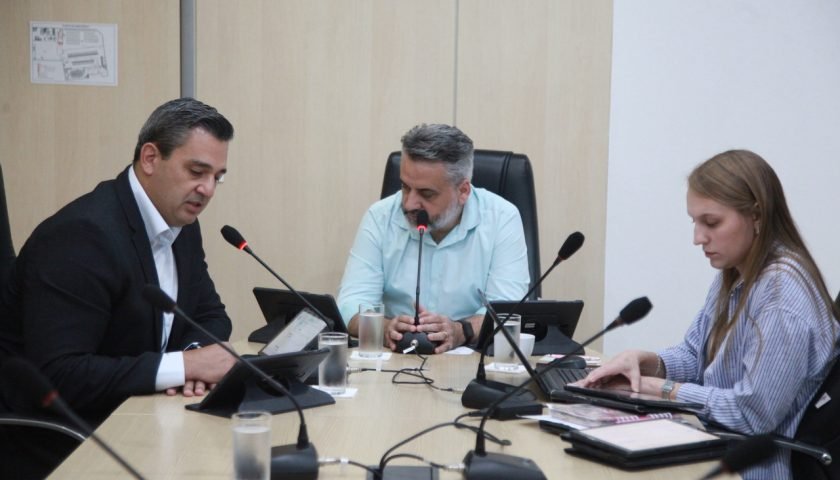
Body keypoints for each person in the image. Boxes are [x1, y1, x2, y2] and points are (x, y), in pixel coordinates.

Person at [0, 97, 238, 478]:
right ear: (150, 158)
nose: (208, 189)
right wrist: (184, 366)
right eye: (197, 171)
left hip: (139, 415)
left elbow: (210, 314)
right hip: (64, 439)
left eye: (218, 177)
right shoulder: (82, 236)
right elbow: (61, 374)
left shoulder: (181, 225)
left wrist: (194, 360)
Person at [578, 150, 840, 479]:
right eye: (695, 222)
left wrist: (657, 388)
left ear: (756, 216)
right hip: (714, 446)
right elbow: (695, 356)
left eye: (711, 223)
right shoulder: (734, 273)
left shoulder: (782, 293)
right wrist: (646, 362)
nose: (698, 238)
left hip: (751, 469)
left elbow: (752, 415)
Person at [337, 124, 530, 354]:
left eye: (426, 193)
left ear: (463, 191)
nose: (409, 203)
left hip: (469, 362)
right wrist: (386, 328)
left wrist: (461, 330)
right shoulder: (380, 217)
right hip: (397, 359)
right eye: (405, 187)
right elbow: (350, 305)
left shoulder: (502, 219)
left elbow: (508, 311)